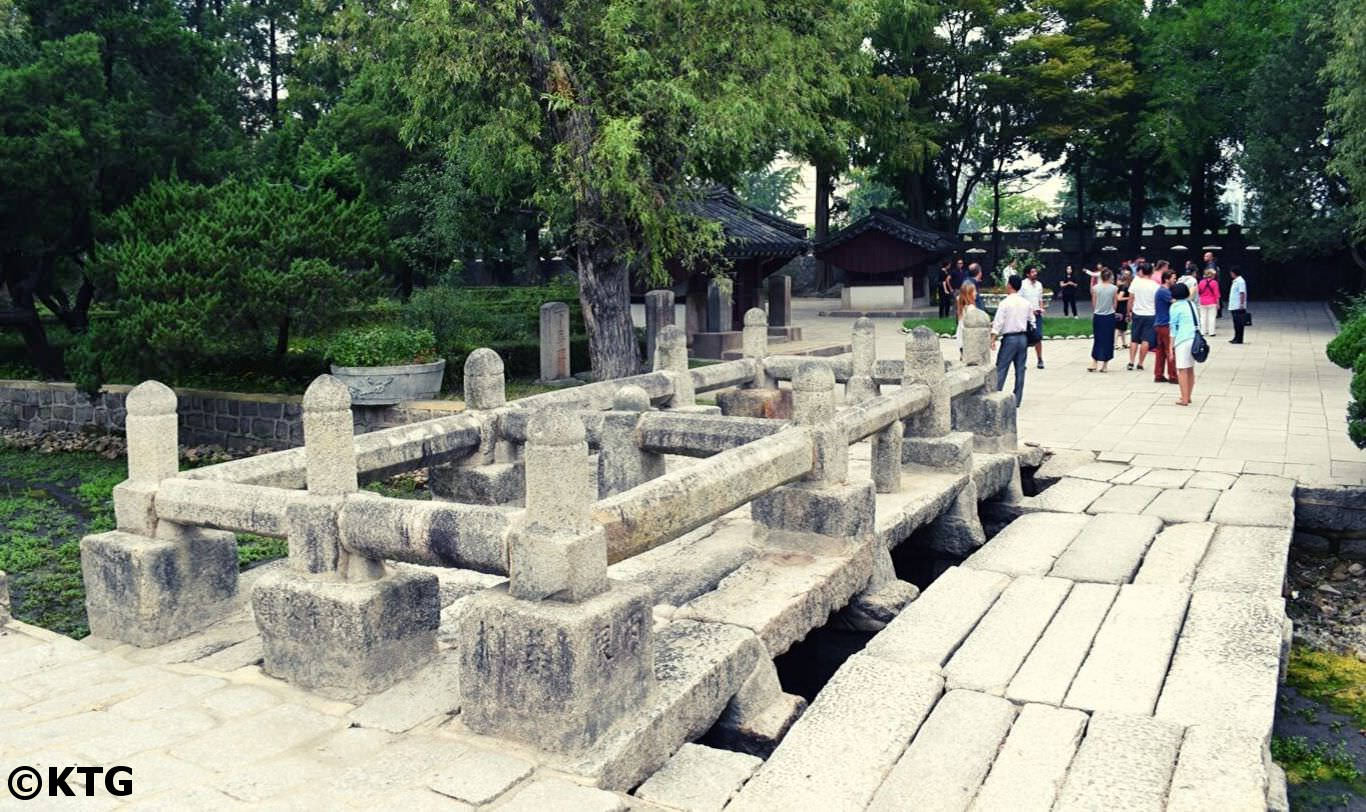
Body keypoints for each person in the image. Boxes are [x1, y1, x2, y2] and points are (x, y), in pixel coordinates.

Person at [990, 275, 1035, 406]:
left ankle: (996, 395)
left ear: (1010, 285)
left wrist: (992, 338)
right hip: (1023, 338)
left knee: (1002, 367)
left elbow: (998, 323)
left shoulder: (1005, 303)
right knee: (1020, 369)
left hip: (1009, 338)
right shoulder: (1026, 303)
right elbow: (1032, 320)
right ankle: (1017, 399)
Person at [1170, 282, 1199, 406]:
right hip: (1194, 337)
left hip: (1182, 339)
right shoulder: (1191, 304)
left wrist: (1171, 346)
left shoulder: (1175, 307)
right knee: (1190, 368)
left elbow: (1173, 328)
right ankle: (1189, 395)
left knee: (1182, 370)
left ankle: (1184, 398)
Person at [1127, 263, 1159, 371]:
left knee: (1134, 338)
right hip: (1150, 314)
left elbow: (1131, 299)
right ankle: (1140, 363)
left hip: (1137, 313)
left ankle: (1131, 361)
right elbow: (1156, 301)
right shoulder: (1155, 285)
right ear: (1151, 272)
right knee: (1146, 339)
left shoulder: (1136, 283)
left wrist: (1129, 311)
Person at [1151, 266, 1178, 384]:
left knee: (1161, 351)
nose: (1175, 281)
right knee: (1170, 350)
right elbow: (1175, 302)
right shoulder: (1164, 292)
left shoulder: (1161, 291)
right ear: (1167, 279)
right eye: (1174, 278)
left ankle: (1159, 374)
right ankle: (1173, 376)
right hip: (1165, 324)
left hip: (1159, 323)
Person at [1089, 269, 1117, 373]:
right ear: (1110, 277)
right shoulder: (1114, 288)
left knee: (1098, 339)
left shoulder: (1095, 288)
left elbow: (1094, 303)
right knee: (1108, 340)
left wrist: (1097, 310)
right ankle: (1105, 365)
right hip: (1109, 316)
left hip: (1098, 315)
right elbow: (1115, 303)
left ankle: (1094, 361)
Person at [1020, 265, 1046, 369]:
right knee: (1025, 338)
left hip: (1037, 315)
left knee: (1038, 337)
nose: (1035, 273)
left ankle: (1040, 359)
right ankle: (1022, 361)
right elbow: (1021, 300)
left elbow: (1040, 299)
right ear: (1027, 274)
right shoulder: (1023, 285)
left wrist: (1041, 308)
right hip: (1026, 315)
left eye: (1035, 271)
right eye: (1032, 272)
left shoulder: (1039, 285)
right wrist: (1030, 311)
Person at [954, 280, 978, 353]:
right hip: (969, 340)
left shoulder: (961, 307)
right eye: (974, 291)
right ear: (969, 294)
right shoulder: (971, 308)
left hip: (961, 340)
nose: (976, 293)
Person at [1229, 266, 1249, 344]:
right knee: (1235, 323)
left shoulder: (1240, 281)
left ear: (1234, 273)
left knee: (1239, 323)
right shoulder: (1235, 281)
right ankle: (1236, 337)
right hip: (1234, 305)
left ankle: (1239, 338)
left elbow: (1242, 293)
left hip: (1238, 306)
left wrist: (1241, 304)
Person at [1196, 268, 1220, 336]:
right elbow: (1217, 294)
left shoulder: (1201, 282)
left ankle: (1203, 331)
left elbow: (1199, 292)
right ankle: (1211, 332)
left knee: (1203, 317)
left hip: (1202, 301)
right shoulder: (1214, 283)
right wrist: (1218, 303)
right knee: (1212, 317)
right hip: (1212, 302)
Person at [1114, 270, 1132, 351]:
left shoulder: (1120, 287)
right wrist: (1129, 298)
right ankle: (1115, 344)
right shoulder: (1124, 287)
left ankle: (1124, 343)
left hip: (1120, 308)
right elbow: (1119, 298)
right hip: (1122, 309)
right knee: (1118, 327)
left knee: (1123, 327)